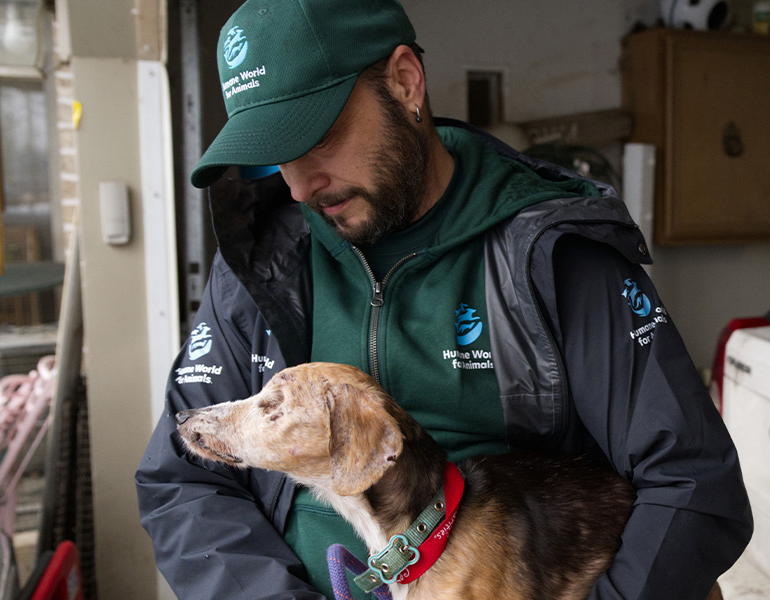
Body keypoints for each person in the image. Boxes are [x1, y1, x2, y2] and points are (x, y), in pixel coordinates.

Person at [135, 1, 753, 598]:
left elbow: (693, 483)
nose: (298, 186)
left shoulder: (551, 252)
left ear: (405, 83)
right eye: (276, 156)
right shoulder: (262, 261)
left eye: (316, 136)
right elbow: (183, 483)